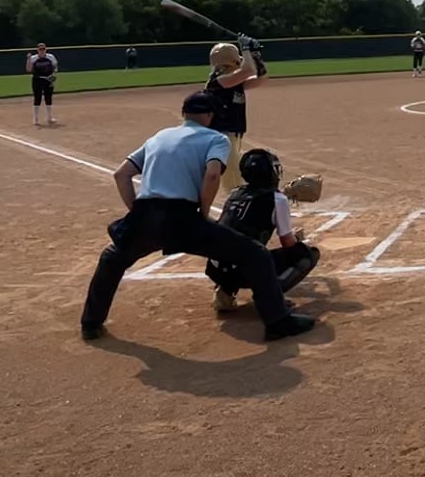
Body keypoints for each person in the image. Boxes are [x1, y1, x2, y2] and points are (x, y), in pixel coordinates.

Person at [81, 91, 316, 342]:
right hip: (183, 217)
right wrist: (203, 214)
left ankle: (91, 324)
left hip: (146, 217)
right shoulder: (216, 138)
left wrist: (137, 212)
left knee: (111, 259)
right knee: (255, 254)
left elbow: (121, 174)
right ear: (211, 115)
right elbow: (213, 174)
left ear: (184, 113)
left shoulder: (159, 137)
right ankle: (277, 321)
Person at [206, 148, 322, 312]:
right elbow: (287, 243)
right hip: (243, 272)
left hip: (215, 269)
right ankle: (270, 298)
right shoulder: (277, 200)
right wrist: (297, 240)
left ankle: (225, 291)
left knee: (238, 244)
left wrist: (284, 194)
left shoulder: (235, 193)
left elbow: (253, 206)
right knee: (305, 253)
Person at [207, 39, 271, 191]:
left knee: (234, 176)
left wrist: (255, 55)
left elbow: (261, 79)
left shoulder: (232, 82)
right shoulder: (219, 81)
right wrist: (246, 48)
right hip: (222, 137)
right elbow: (248, 71)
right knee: (234, 180)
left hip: (232, 136)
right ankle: (237, 204)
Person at [26, 43, 59, 126]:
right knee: (37, 98)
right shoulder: (33, 58)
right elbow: (28, 69)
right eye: (40, 49)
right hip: (37, 80)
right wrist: (28, 59)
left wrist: (53, 74)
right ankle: (36, 119)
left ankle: (49, 117)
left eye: (43, 49)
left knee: (48, 97)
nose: (42, 51)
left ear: (45, 49)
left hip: (48, 79)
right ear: (37, 50)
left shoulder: (50, 57)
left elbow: (55, 67)